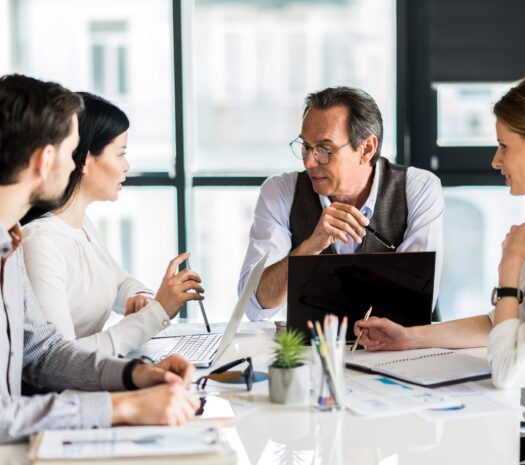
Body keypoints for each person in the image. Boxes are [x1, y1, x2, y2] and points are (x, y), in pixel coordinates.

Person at [354, 73, 525, 464]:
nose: (495, 160)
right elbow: (501, 325)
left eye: (504, 146)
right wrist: (408, 337)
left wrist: (510, 270)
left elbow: (508, 368)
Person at [0, 74, 199, 443]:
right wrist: (124, 408)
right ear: (46, 160)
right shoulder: (32, 241)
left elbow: (43, 354)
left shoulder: (8, 245)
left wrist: (133, 376)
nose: (75, 161)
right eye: (71, 150)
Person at [20, 93, 203, 356]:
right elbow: (61, 360)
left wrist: (142, 297)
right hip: (72, 391)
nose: (127, 166)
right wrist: (157, 313)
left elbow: (118, 282)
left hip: (95, 380)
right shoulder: (40, 243)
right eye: (120, 154)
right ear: (82, 159)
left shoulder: (81, 225)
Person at [238, 86, 444, 321]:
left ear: (366, 149)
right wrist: (310, 247)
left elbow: (415, 301)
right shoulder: (280, 192)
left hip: (397, 352)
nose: (308, 161)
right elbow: (256, 305)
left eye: (325, 150)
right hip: (311, 352)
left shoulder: (418, 189)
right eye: (305, 146)